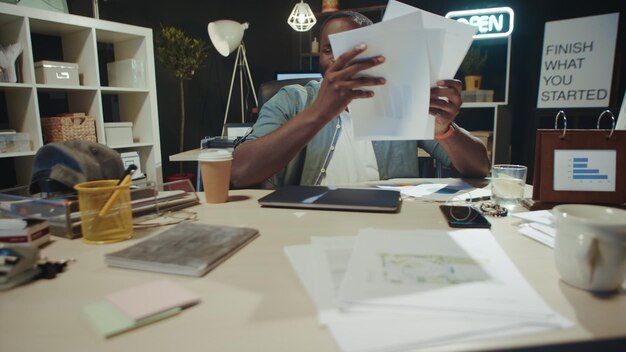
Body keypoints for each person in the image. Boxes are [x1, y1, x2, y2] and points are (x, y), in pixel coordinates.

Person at [231, 11, 490, 188]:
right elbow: (239, 173)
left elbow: (479, 168)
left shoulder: (401, 98)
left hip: (389, 221)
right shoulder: (293, 100)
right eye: (327, 49)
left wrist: (445, 131)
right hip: (309, 221)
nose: (336, 58)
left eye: (350, 48)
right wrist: (320, 111)